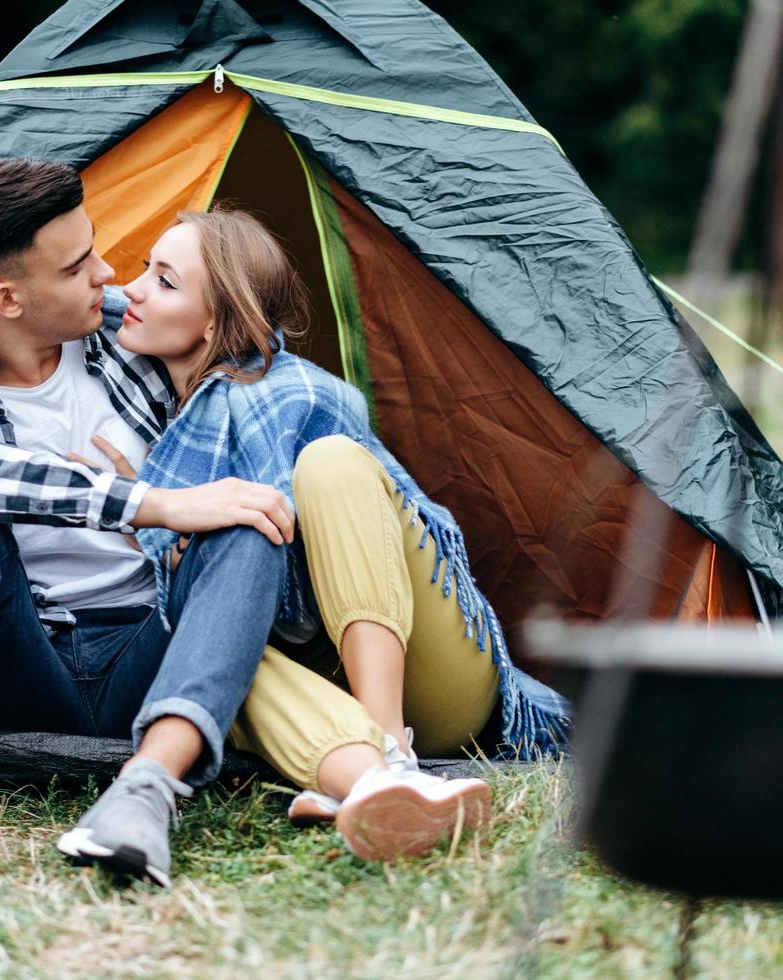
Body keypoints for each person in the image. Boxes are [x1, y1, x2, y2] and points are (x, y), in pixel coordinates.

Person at [0, 159, 300, 896]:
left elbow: (268, 370)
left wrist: (199, 492)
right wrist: (152, 503)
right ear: (9, 298)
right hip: (20, 662)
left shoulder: (133, 335)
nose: (108, 272)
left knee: (249, 521)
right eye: (80, 263)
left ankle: (147, 791)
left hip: (149, 647)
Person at [98, 206, 570, 861]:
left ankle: (389, 746)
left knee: (329, 461)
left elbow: (276, 543)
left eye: (165, 281)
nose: (136, 290)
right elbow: (46, 296)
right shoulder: (164, 419)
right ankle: (368, 783)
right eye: (145, 269)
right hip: (315, 685)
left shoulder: (296, 396)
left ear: (216, 321)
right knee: (203, 649)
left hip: (428, 677)